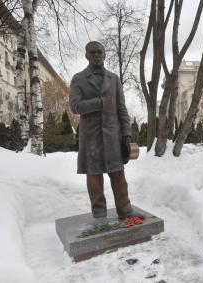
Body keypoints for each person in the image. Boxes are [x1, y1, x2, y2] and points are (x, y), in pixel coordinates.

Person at [69, 41, 143, 226]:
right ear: (86, 55)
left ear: (104, 54)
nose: (97, 55)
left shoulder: (114, 78)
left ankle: (125, 210)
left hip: (112, 136)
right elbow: (75, 106)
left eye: (100, 52)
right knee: (94, 177)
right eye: (93, 52)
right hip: (91, 137)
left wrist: (126, 133)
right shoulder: (78, 79)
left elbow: (121, 109)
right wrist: (100, 102)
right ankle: (99, 214)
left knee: (118, 175)